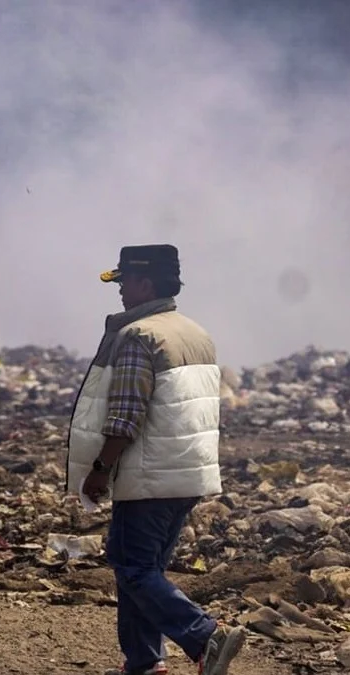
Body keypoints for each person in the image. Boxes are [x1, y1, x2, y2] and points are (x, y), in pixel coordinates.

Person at [65, 244, 246, 675]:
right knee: (143, 571)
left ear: (145, 282)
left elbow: (126, 414)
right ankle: (145, 663)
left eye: (125, 281)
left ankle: (205, 636)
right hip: (188, 475)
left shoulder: (139, 336)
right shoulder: (195, 333)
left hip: (149, 478)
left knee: (131, 568)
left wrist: (101, 469)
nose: (121, 290)